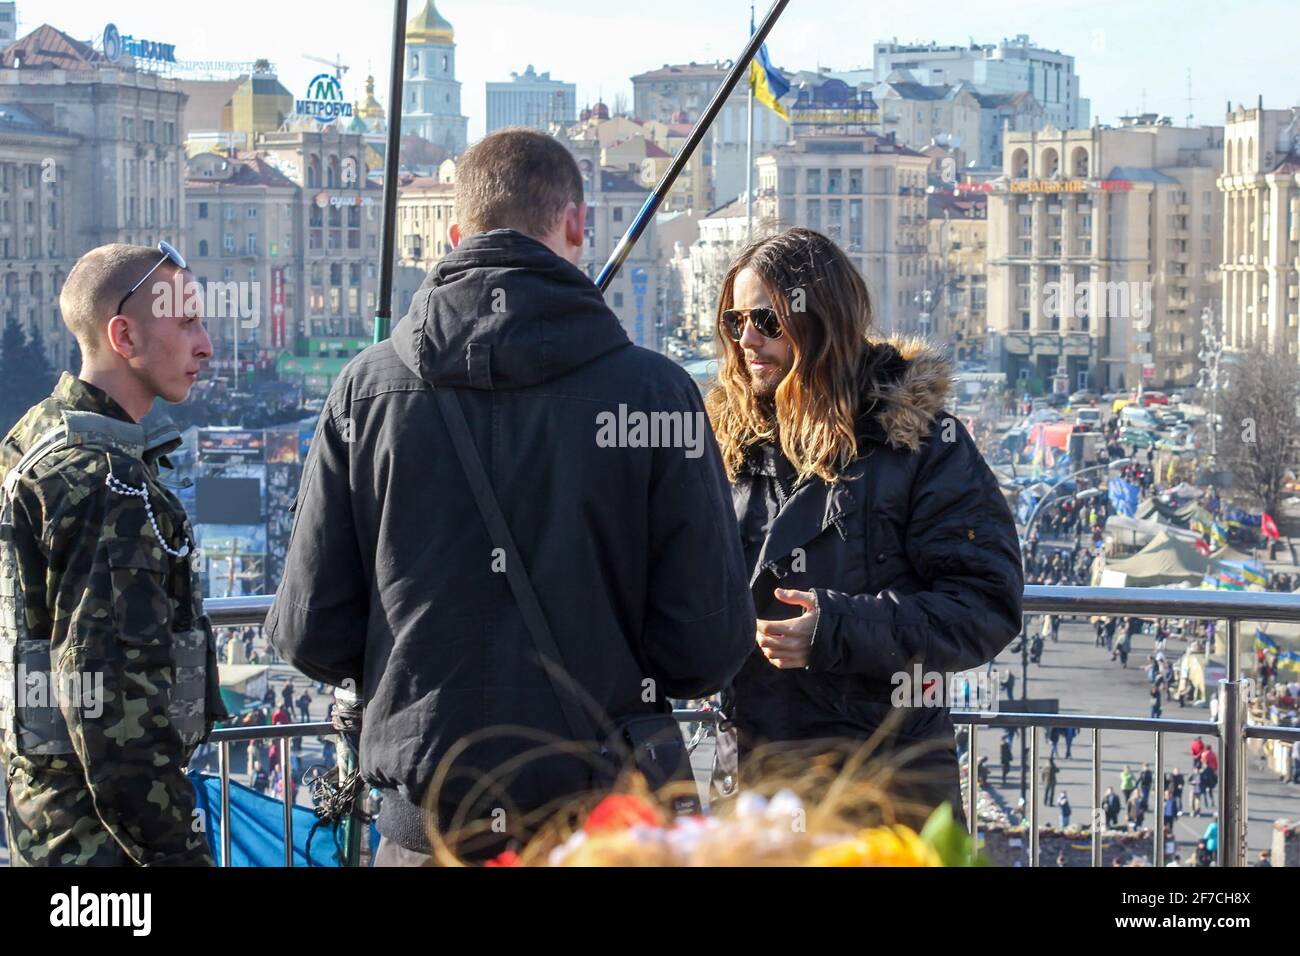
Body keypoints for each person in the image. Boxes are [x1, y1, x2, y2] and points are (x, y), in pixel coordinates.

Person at [267, 129, 755, 866]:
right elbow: (706, 647)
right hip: (599, 827)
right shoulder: (655, 394)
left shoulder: (367, 391)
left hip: (426, 827)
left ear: (455, 235)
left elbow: (309, 631)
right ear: (576, 226)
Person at [703, 228, 1023, 831]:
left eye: (768, 320)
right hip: (754, 788)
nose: (746, 340)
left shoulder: (921, 443)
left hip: (883, 790)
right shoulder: (728, 445)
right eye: (735, 320)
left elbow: (985, 606)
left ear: (824, 322)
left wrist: (836, 629)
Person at [0, 243, 225, 866]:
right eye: (186, 323)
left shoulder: (36, 437)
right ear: (123, 335)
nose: (205, 345)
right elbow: (112, 721)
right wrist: (182, 856)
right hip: (106, 849)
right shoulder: (109, 487)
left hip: (44, 827)